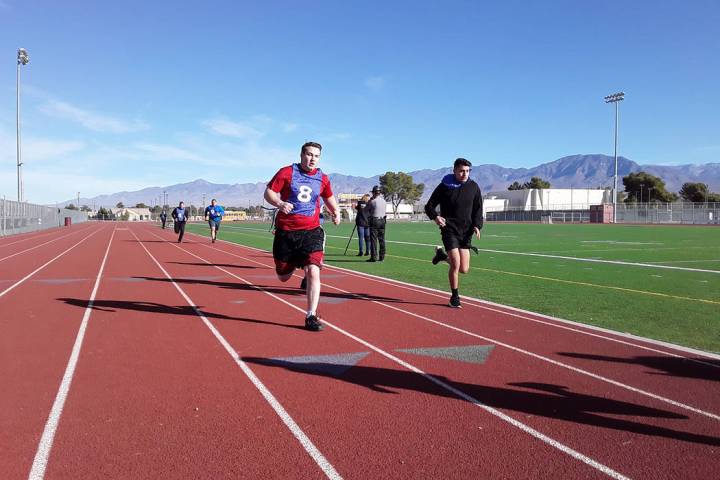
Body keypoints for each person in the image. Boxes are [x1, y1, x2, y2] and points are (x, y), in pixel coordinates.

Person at [264, 141, 341, 331]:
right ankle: (295, 264)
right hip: (286, 233)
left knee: (314, 271)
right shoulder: (286, 172)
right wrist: (280, 203)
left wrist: (336, 211)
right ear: (301, 155)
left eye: (316, 155)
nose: (312, 158)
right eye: (309, 154)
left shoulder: (322, 178)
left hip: (311, 231)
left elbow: (328, 196)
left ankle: (311, 315)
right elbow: (269, 192)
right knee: (283, 276)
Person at [424, 158, 483, 308]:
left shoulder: (474, 187)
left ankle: (442, 256)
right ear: (454, 170)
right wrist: (436, 217)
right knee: (456, 264)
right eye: (462, 171)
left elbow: (478, 209)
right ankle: (454, 297)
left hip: (466, 231)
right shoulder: (445, 186)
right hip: (449, 229)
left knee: (464, 269)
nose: (465, 174)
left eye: (468, 171)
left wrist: (477, 225)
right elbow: (429, 206)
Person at [366, 185, 387, 262]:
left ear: (374, 193)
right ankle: (382, 256)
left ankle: (374, 257)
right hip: (383, 221)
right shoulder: (384, 201)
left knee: (374, 240)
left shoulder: (373, 201)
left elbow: (366, 210)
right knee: (382, 239)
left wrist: (369, 201)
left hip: (374, 220)